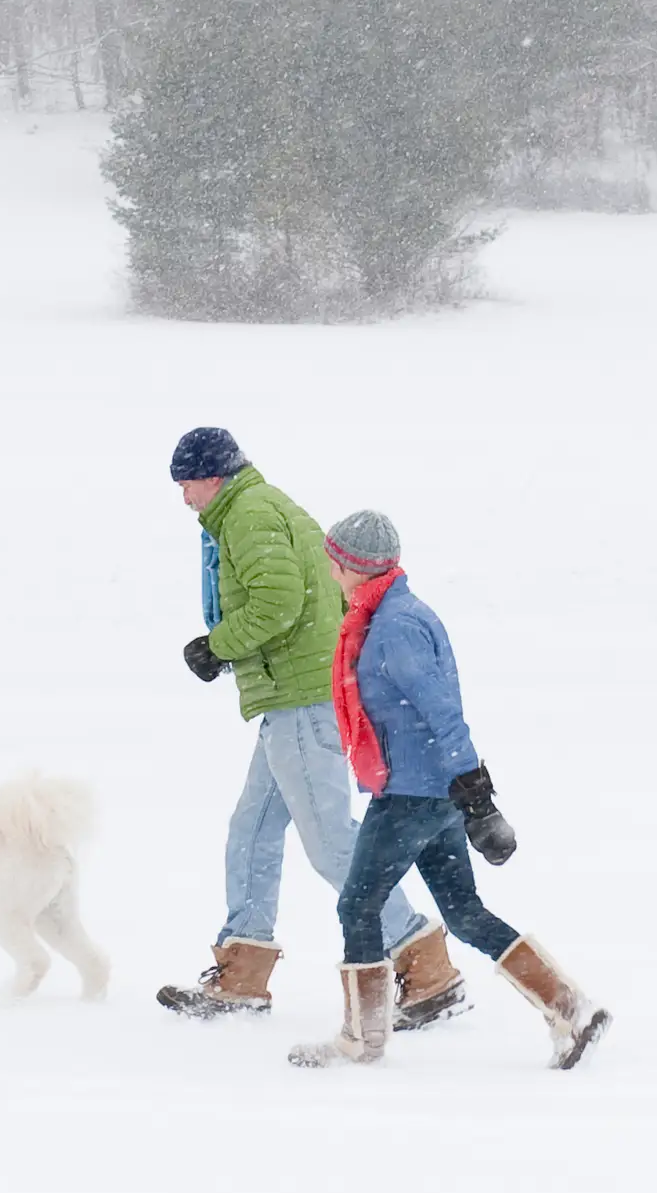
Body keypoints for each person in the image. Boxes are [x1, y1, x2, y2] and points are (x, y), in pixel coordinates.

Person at [154, 427, 458, 1024]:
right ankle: (243, 968)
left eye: (186, 484)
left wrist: (218, 646)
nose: (184, 497)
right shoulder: (256, 506)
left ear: (211, 476)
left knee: (328, 841)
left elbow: (278, 600)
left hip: (300, 697)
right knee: (253, 829)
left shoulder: (248, 514)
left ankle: (424, 964)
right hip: (292, 696)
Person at [291, 508, 610, 1071]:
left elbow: (442, 710)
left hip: (414, 795)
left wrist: (476, 794)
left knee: (358, 904)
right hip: (432, 792)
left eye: (335, 562)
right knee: (463, 913)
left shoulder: (394, 628)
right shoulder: (394, 612)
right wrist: (460, 791)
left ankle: (360, 1041)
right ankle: (569, 1007)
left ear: (355, 567)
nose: (330, 570)